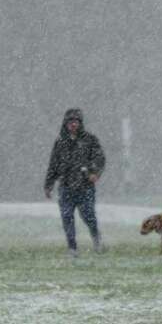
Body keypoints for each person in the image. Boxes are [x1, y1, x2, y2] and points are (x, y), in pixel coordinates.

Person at [44, 108, 105, 256]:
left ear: (80, 123)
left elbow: (99, 158)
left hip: (85, 187)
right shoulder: (60, 143)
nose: (73, 124)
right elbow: (54, 164)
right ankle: (72, 247)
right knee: (67, 217)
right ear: (65, 123)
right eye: (70, 122)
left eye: (76, 121)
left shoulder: (90, 140)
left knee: (88, 215)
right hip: (66, 186)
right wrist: (49, 184)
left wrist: (94, 172)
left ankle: (96, 238)